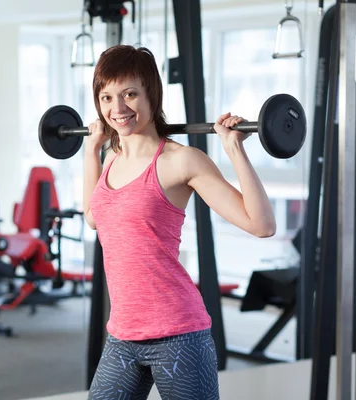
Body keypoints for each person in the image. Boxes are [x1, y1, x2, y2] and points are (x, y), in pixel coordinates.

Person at [83, 45, 276, 400]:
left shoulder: (181, 161)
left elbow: (261, 224)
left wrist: (235, 149)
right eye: (107, 97)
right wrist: (90, 151)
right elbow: (95, 218)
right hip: (123, 335)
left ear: (151, 94)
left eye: (130, 94)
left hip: (179, 334)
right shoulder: (111, 157)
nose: (118, 108)